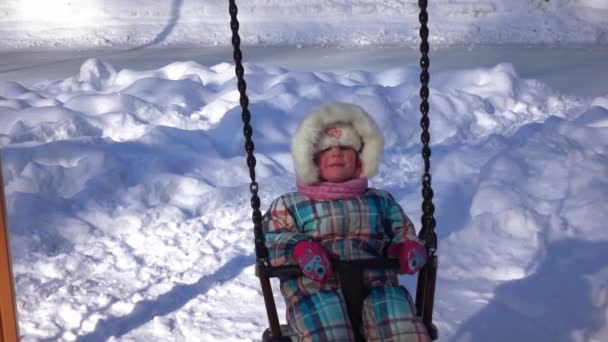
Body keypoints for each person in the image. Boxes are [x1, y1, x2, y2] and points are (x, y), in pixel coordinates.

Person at [262, 102, 431, 342]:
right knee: (328, 332)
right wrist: (299, 248)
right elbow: (271, 241)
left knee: (402, 328)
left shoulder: (380, 201)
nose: (336, 153)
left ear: (362, 157)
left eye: (345, 147)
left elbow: (401, 230)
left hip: (378, 287)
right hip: (317, 291)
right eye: (325, 149)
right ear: (309, 158)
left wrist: (406, 246)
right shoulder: (289, 204)